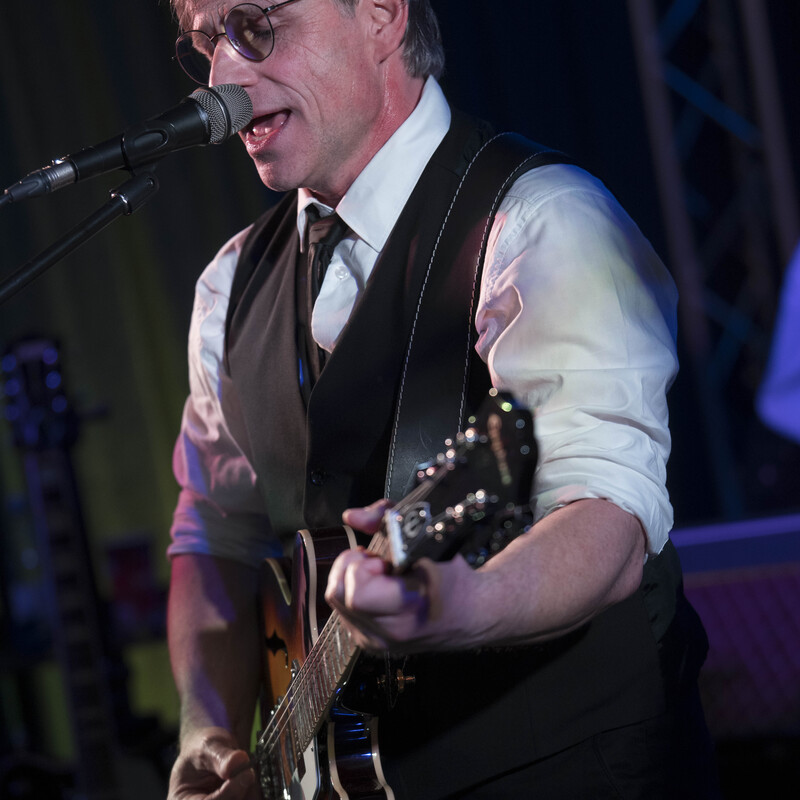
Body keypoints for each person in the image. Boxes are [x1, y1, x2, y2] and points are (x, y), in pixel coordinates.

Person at [165, 1, 719, 798]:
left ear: (381, 15)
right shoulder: (230, 285)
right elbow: (215, 534)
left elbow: (607, 513)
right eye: (206, 41)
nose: (220, 77)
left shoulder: (541, 222)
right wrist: (207, 728)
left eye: (255, 25)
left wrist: (468, 603)